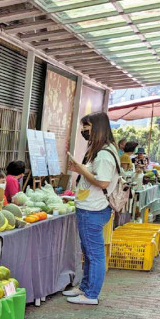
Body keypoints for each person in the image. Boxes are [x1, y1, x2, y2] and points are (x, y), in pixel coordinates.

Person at [64, 111, 119, 306]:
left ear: (98, 128)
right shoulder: (101, 150)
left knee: (94, 254)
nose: (83, 131)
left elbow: (102, 182)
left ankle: (91, 294)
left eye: (86, 127)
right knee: (88, 252)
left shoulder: (104, 155)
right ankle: (85, 288)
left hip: (93, 210)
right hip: (91, 208)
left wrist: (81, 170)